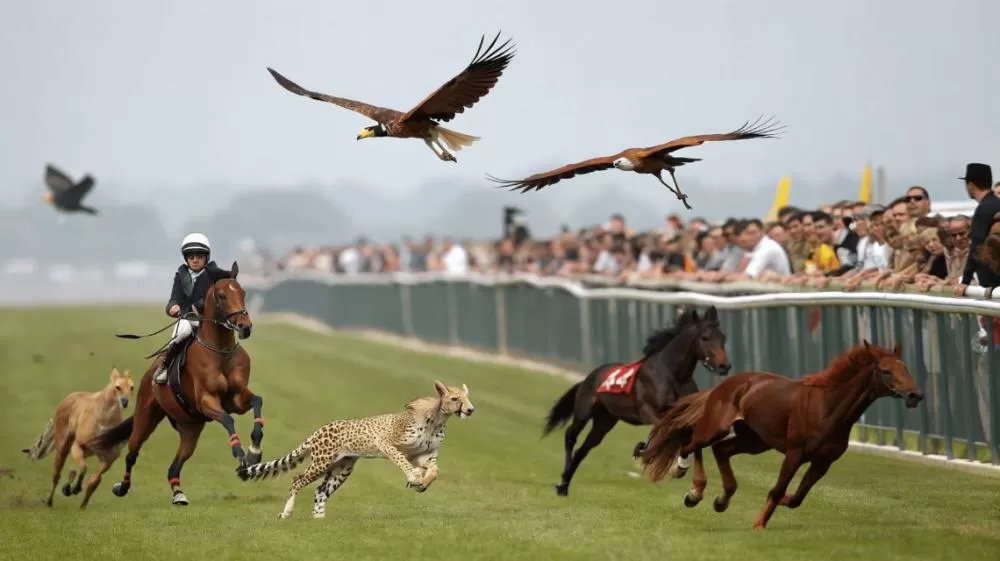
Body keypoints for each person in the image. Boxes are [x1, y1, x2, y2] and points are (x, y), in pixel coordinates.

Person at [153, 232, 225, 384]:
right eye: (191, 257)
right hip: (188, 318)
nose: (195, 260)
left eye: (199, 256)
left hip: (210, 319)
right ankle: (165, 365)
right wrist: (172, 308)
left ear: (206, 257)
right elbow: (174, 299)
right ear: (186, 258)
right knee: (183, 330)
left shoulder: (214, 274)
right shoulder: (180, 275)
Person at [956, 163, 1000, 296]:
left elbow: (976, 246)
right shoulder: (996, 203)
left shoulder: (983, 209)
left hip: (993, 281)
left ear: (970, 185)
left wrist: (965, 280)